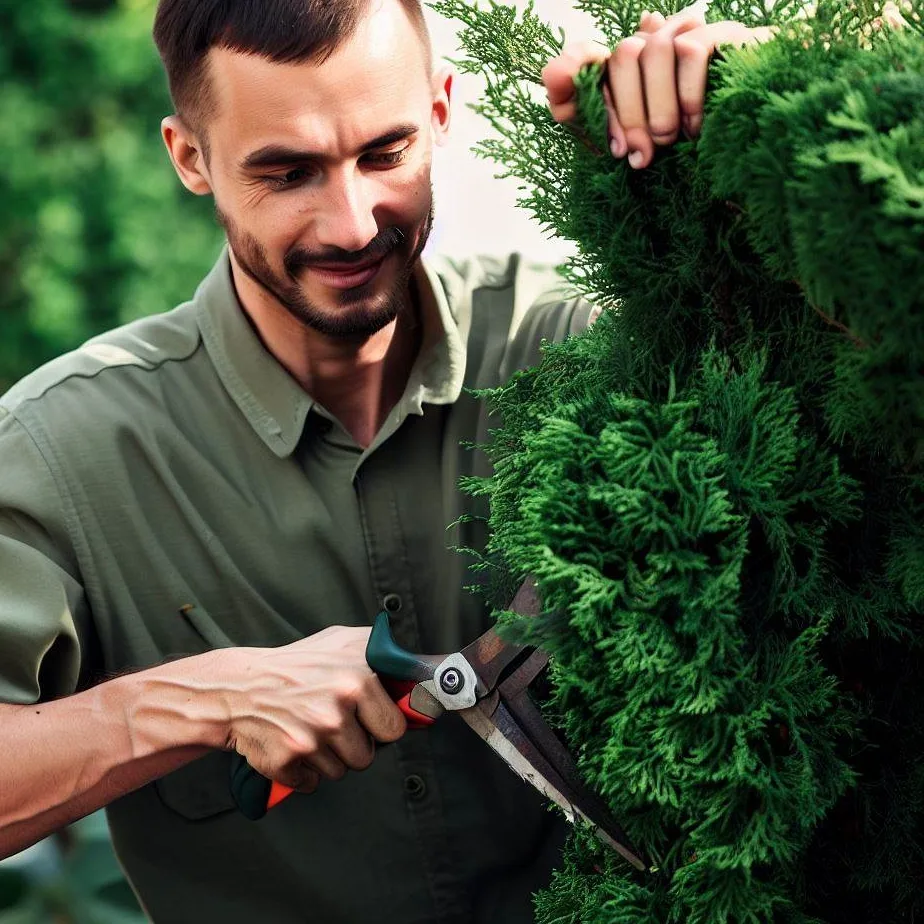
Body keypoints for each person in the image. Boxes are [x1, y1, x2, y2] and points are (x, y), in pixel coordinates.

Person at [0, 1, 767, 921]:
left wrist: (767, 98)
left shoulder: (587, 353)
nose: (354, 224)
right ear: (189, 157)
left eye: (384, 153)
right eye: (288, 173)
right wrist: (198, 700)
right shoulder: (58, 447)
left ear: (442, 110)